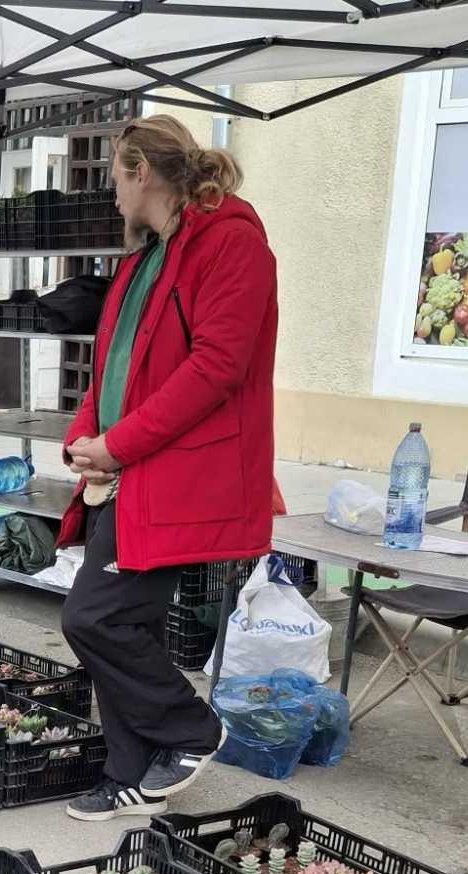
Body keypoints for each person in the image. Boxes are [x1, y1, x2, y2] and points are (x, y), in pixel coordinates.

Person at [56, 114, 278, 821]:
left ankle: (191, 728)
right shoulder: (144, 258)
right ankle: (128, 771)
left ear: (141, 172)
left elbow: (217, 367)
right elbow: (114, 365)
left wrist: (117, 445)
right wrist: (86, 435)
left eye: (114, 178)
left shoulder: (232, 244)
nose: (112, 194)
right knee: (131, 625)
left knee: (94, 618)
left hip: (177, 475)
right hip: (128, 471)